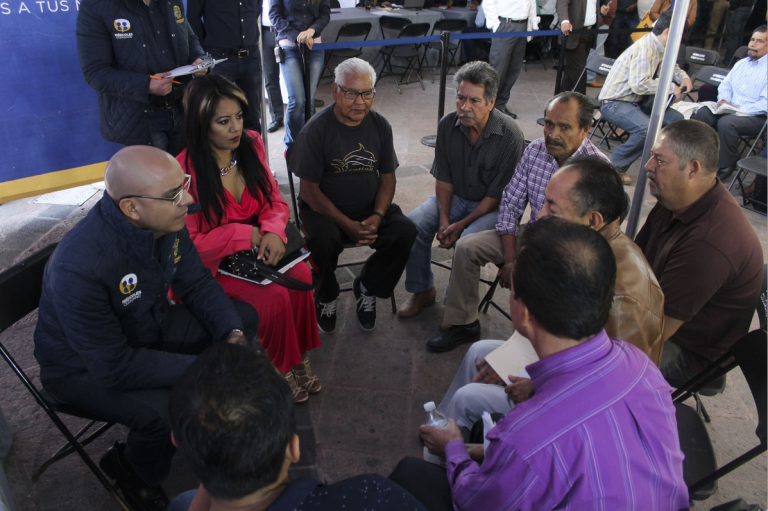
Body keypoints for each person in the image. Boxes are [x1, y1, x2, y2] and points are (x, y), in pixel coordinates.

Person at [389, 217, 689, 511]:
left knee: (408, 475)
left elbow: (474, 499)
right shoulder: (638, 364)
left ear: (527, 313)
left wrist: (454, 449)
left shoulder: (526, 438)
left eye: (513, 292)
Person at [33, 146, 260, 511]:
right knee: (165, 411)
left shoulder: (164, 220)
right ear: (131, 207)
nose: (188, 198)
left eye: (183, 184)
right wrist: (209, 368)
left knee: (241, 319)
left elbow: (197, 284)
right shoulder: (79, 268)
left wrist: (231, 335)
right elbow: (113, 366)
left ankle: (204, 418)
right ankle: (134, 471)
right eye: (174, 194)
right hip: (80, 368)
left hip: (147, 327)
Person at [436, 155, 665, 433]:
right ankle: (442, 428)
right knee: (479, 352)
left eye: (553, 209)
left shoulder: (622, 299)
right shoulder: (583, 249)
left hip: (578, 412)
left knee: (467, 399)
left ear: (593, 220)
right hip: (561, 370)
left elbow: (609, 390)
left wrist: (535, 386)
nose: (540, 215)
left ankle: (448, 454)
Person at [177, 75, 321, 404]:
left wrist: (271, 229)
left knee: (300, 275)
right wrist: (248, 234)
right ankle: (274, 367)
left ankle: (297, 356)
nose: (235, 129)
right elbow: (191, 245)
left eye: (239, 117)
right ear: (201, 124)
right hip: (212, 265)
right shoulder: (184, 170)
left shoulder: (252, 143)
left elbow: (274, 199)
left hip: (258, 247)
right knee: (272, 297)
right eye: (223, 121)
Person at [425, 91, 607, 353]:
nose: (553, 133)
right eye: (548, 124)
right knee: (467, 247)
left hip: (569, 254)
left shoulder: (598, 171)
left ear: (586, 129)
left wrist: (523, 264)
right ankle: (463, 324)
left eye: (565, 127)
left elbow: (591, 242)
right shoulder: (534, 150)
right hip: (532, 235)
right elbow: (510, 205)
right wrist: (511, 259)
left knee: (540, 280)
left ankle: (529, 349)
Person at [166, 342, 428, 511]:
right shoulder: (374, 495)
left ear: (178, 442)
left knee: (181, 502)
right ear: (293, 447)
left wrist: (210, 461)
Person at [291, 58, 417, 333]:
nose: (360, 101)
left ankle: (368, 285)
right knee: (321, 243)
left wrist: (378, 215)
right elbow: (309, 191)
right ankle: (326, 294)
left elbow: (387, 178)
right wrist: (346, 224)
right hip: (325, 212)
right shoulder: (316, 130)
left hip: (368, 209)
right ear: (336, 90)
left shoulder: (380, 125)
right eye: (351, 93)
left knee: (405, 231)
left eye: (367, 93)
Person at [636, 120, 764, 383]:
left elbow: (650, 334)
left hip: (688, 353)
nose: (648, 167)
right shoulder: (675, 197)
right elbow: (632, 259)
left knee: (581, 355)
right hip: (652, 311)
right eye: (651, 157)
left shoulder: (710, 242)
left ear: (693, 169)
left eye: (659, 160)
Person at [398, 62, 525, 318]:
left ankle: (454, 309)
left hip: (493, 208)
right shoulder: (448, 125)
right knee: (413, 225)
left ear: (491, 102)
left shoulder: (510, 136)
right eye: (460, 97)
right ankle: (422, 290)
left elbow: (495, 197)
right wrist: (445, 219)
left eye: (474, 100)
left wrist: (461, 226)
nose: (464, 107)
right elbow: (443, 179)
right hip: (455, 198)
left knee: (467, 241)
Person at [76, 0, 207, 154]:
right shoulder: (96, 5)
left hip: (184, 111)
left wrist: (199, 59)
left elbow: (189, 37)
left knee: (189, 175)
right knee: (156, 177)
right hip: (142, 119)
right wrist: (146, 85)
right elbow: (95, 72)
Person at [598, 11, 693, 184]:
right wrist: (672, 87)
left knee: (677, 122)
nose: (679, 42)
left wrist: (684, 78)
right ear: (668, 32)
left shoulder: (660, 47)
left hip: (637, 103)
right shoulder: (645, 48)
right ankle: (614, 167)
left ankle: (666, 166)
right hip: (616, 103)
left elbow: (673, 66)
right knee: (646, 129)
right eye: (678, 35)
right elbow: (640, 84)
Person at [693, 26, 767, 180]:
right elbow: (725, 85)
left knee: (727, 123)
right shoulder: (741, 63)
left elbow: (765, 104)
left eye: (759, 41)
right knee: (703, 113)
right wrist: (723, 100)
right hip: (731, 110)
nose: (752, 44)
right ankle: (702, 157)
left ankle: (727, 163)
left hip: (755, 116)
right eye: (752, 39)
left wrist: (739, 109)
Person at [188, 0, 264, 134]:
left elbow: (256, 8)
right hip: (219, 57)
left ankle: (251, 154)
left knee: (252, 115)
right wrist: (202, 50)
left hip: (251, 55)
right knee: (217, 114)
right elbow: (193, 18)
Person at [270, 0, 330, 151]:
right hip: (289, 47)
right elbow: (275, 16)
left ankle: (310, 143)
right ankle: (293, 146)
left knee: (308, 101)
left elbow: (325, 14)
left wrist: (311, 31)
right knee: (297, 100)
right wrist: (297, 36)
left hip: (314, 46)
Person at [483, 0, 539, 118]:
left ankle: (500, 103)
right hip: (505, 24)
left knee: (513, 68)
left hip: (523, 26)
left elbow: (532, 2)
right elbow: (488, 2)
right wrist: (495, 24)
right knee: (498, 69)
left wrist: (534, 24)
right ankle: (487, 104)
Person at [557, 0, 606, 94]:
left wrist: (601, 12)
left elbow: (592, 8)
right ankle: (581, 102)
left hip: (590, 32)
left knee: (572, 69)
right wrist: (564, 21)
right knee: (579, 70)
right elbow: (562, 3)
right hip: (575, 32)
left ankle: (560, 100)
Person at [263, 0, 285, 133]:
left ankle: (303, 115)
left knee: (295, 75)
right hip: (265, 33)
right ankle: (276, 117)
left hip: (285, 31)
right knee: (270, 77)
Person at [586, 0, 617, 87]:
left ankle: (589, 77)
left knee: (597, 50)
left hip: (601, 22)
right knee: (594, 51)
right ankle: (589, 78)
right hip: (601, 23)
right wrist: (606, 19)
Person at [723, 0, 757, 65]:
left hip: (738, 8)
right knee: (738, 37)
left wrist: (732, 7)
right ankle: (736, 60)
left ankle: (728, 61)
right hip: (748, 8)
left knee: (732, 38)